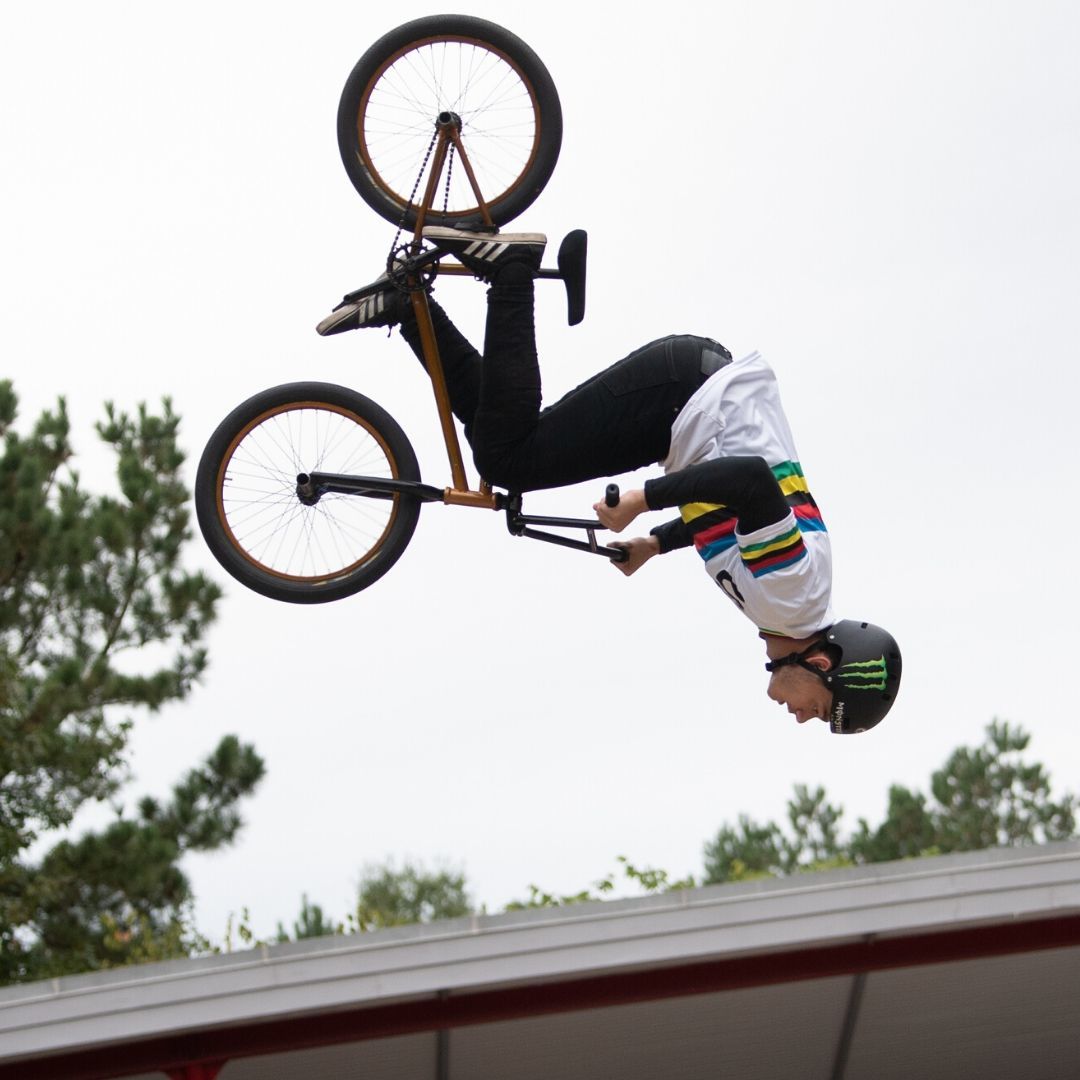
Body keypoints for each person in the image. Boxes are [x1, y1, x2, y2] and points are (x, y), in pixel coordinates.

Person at [317, 228, 902, 734]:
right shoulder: (792, 597)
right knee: (512, 459)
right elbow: (747, 481)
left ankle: (409, 306)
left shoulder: (787, 604)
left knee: (501, 443)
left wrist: (656, 543)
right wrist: (642, 500)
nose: (801, 718)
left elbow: (733, 513)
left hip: (684, 401)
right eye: (820, 711)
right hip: (683, 400)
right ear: (823, 665)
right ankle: (509, 272)